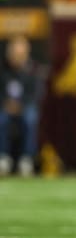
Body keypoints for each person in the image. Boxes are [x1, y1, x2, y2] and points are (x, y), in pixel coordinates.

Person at [0, 36, 41, 176]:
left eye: (19, 54)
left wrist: (21, 105)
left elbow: (36, 94)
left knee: (31, 117)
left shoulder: (33, 71)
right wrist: (5, 103)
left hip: (25, 107)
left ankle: (27, 159)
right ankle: (3, 157)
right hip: (4, 108)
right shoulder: (2, 69)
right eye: (14, 54)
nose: (16, 57)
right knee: (1, 118)